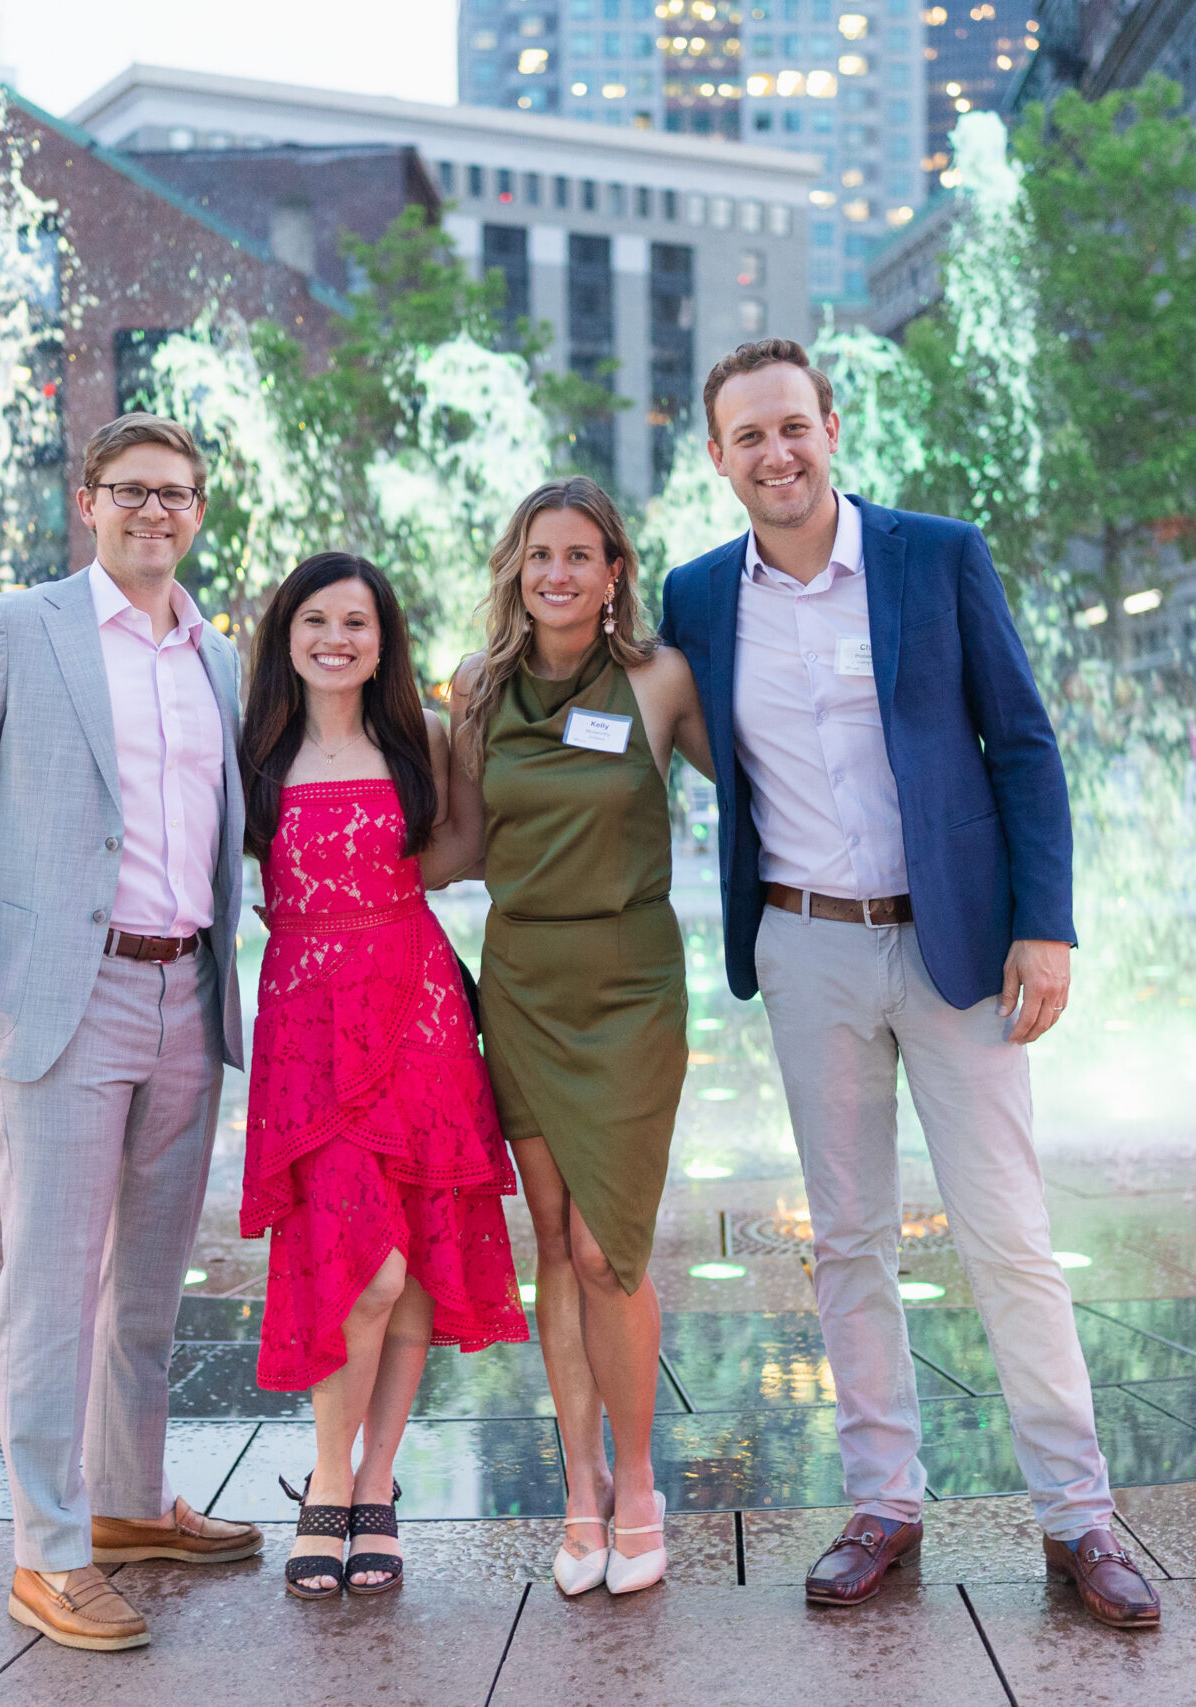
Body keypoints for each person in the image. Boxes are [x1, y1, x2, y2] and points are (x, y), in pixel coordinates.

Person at [657, 339, 1159, 1630]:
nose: (775, 453)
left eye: (792, 426)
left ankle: (1078, 1515)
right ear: (717, 458)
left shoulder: (937, 557)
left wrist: (1043, 926)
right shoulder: (700, 595)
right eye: (747, 437)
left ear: (831, 426)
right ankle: (885, 1498)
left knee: (1009, 1235)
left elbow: (1026, 741)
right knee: (848, 1240)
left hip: (955, 944)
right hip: (806, 943)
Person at [0, 413, 261, 1655]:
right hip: (63, 995)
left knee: (145, 1287)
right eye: (134, 491)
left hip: (185, 999)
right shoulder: (18, 627)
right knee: (51, 1286)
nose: (158, 512)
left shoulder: (215, 655)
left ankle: (127, 1505)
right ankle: (46, 1553)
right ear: (88, 500)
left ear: (200, 512)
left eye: (180, 494)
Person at [441, 475, 711, 1599]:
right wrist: (329, 891)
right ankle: (581, 1490)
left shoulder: (658, 680)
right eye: (538, 553)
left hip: (630, 984)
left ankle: (640, 1481)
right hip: (524, 982)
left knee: (611, 1246)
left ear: (614, 575)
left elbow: (767, 784)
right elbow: (458, 840)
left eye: (580, 555)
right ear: (517, 567)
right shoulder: (473, 686)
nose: (557, 572)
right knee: (551, 1242)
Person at [239, 552, 527, 1599]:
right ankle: (328, 1480)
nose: (334, 639)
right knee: (359, 1264)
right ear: (287, 637)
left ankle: (373, 1486)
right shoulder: (255, 753)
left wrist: (386, 894)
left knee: (407, 1259)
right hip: (308, 1029)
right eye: (314, 620)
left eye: (355, 622)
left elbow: (461, 847)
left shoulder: (424, 741)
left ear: (380, 639)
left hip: (416, 1011)